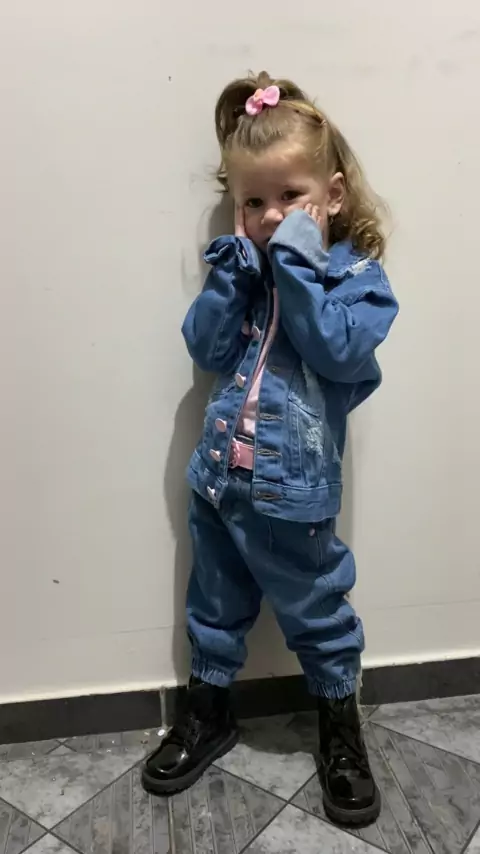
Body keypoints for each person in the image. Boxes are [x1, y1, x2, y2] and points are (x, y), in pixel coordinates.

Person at [142, 71, 398, 827]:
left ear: (333, 195)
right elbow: (206, 346)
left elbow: (338, 352)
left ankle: (339, 729)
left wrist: (295, 264)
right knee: (213, 603)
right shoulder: (244, 272)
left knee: (317, 611)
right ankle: (209, 710)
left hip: (295, 495)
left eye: (290, 196)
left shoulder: (358, 281)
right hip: (220, 478)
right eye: (254, 202)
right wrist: (235, 273)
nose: (271, 215)